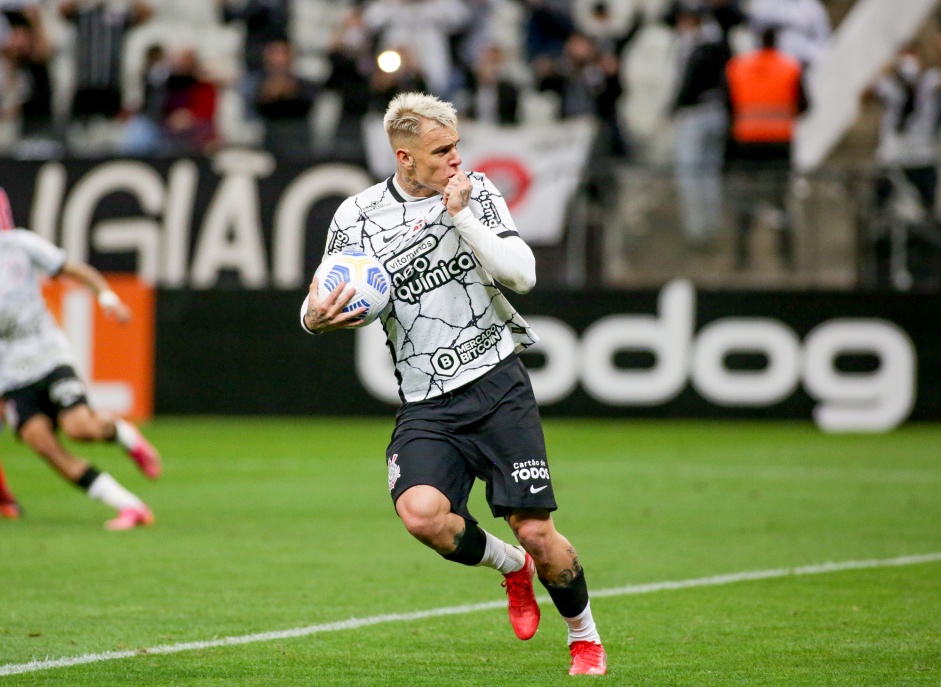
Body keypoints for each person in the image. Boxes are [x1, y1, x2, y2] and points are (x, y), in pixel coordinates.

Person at [299, 92, 607, 676]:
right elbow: (320, 297)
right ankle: (510, 568)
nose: (454, 160)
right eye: (441, 152)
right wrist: (313, 319)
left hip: (496, 385)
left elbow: (524, 275)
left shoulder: (478, 193)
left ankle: (584, 636)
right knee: (422, 515)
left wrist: (461, 214)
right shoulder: (356, 217)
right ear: (404, 157)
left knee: (539, 531)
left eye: (457, 147)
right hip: (425, 401)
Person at [0, 227, 162, 531]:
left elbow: (72, 268)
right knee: (44, 445)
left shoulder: (18, 245)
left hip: (48, 356)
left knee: (79, 428)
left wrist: (106, 296)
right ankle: (130, 506)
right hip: (9, 377)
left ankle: (125, 435)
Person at [723, 27, 807, 269]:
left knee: (745, 201)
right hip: (779, 143)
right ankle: (787, 256)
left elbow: (728, 105)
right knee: (780, 200)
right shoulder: (790, 67)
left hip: (747, 143)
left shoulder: (738, 66)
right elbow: (804, 104)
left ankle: (741, 257)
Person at [668, 4, 731, 249]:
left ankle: (698, 233)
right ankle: (711, 228)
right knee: (709, 174)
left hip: (696, 114)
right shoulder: (721, 43)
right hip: (717, 113)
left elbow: (686, 85)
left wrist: (673, 107)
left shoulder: (699, 46)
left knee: (691, 173)